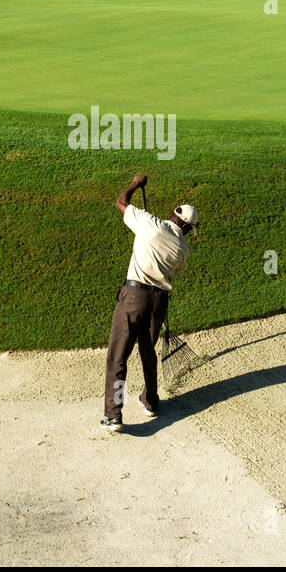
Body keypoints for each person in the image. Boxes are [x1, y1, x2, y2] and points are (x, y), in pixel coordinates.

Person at [101, 174, 198, 433]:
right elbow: (173, 271)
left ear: (173, 215)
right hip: (159, 303)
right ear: (187, 228)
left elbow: (120, 202)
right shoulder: (184, 248)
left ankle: (113, 414)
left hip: (133, 299)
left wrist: (135, 184)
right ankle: (151, 401)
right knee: (148, 354)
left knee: (118, 356)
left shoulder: (148, 222)